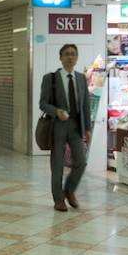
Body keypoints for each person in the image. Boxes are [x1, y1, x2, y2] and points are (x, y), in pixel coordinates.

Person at [39, 44, 92, 212]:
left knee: (81, 162)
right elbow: (43, 103)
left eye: (73, 54)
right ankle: (58, 200)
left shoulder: (81, 78)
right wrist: (56, 111)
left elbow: (86, 105)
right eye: (67, 54)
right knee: (57, 165)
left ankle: (69, 190)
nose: (70, 57)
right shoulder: (51, 78)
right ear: (60, 57)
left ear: (76, 58)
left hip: (76, 126)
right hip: (57, 126)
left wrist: (88, 129)